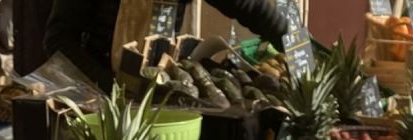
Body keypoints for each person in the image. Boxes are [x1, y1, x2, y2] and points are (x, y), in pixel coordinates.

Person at [43, 0, 291, 88]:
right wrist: (110, 86)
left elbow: (248, 7)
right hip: (97, 95)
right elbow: (58, 40)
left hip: (155, 87)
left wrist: (292, 40)